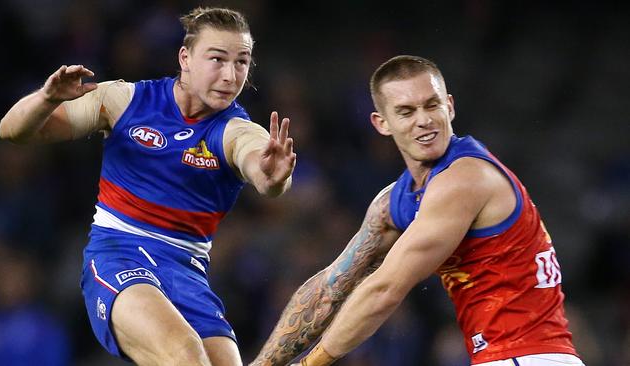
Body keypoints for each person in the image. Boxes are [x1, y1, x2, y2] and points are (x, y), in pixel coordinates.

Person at [0, 7, 296, 366]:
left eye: (242, 62)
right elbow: (13, 131)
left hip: (187, 273)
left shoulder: (236, 130)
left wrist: (274, 176)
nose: (230, 75)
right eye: (217, 59)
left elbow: (263, 172)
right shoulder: (125, 101)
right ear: (185, 58)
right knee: (184, 352)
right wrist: (46, 99)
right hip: (119, 256)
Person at [250, 55, 584, 366]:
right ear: (382, 123)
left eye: (432, 105)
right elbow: (329, 286)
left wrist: (310, 363)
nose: (424, 121)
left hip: (527, 357)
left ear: (449, 106)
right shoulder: (394, 201)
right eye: (407, 112)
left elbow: (384, 290)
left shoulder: (465, 178)